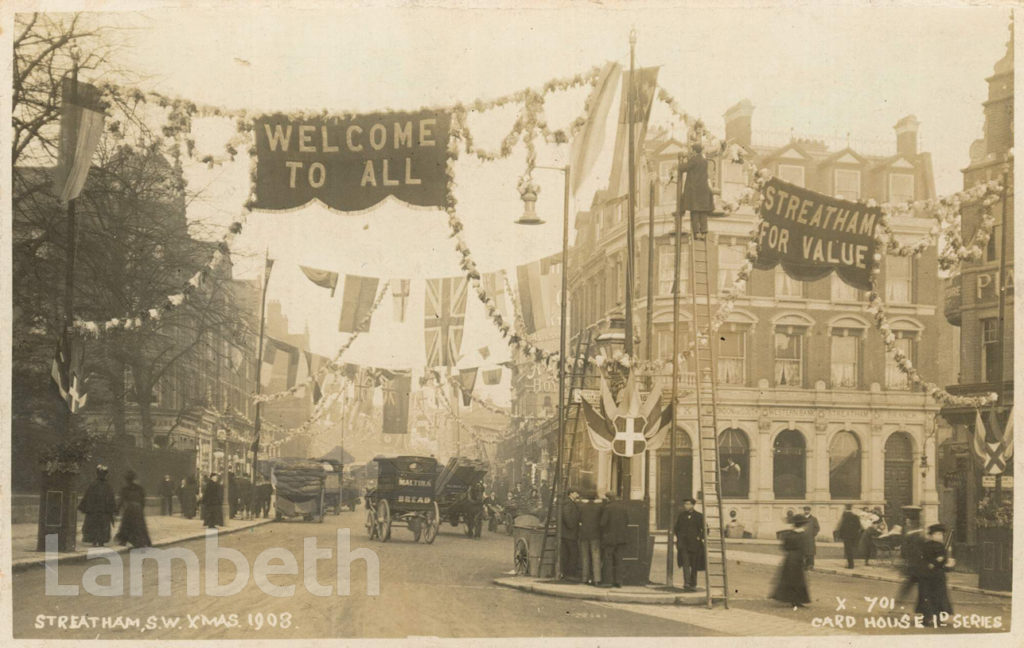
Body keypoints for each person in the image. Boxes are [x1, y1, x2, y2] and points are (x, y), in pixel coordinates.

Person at [916, 524, 955, 626]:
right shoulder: (927, 546)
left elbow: (944, 560)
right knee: (927, 596)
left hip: (938, 576)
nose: (939, 536)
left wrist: (944, 561)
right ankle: (926, 618)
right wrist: (933, 562)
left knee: (938, 597)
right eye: (937, 534)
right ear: (931, 535)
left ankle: (937, 618)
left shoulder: (941, 546)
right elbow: (923, 558)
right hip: (927, 576)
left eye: (941, 534)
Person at [770, 513, 810, 609]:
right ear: (802, 524)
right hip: (798, 558)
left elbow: (784, 547)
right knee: (799, 579)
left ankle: (792, 599)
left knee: (789, 579)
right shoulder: (803, 535)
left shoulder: (788, 534)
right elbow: (805, 548)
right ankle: (797, 601)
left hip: (789, 558)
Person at [681, 141, 715, 239]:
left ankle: (696, 233)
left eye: (692, 150)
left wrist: (679, 164)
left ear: (694, 151)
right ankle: (704, 232)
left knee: (694, 212)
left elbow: (684, 168)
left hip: (695, 190)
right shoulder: (704, 161)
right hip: (703, 190)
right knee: (703, 212)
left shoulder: (694, 160)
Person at [78, 464, 116, 547]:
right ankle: (99, 541)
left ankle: (96, 541)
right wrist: (111, 510)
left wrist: (85, 508)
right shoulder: (107, 486)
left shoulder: (94, 485)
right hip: (101, 512)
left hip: (96, 511)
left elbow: (87, 497)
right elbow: (111, 500)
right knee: (100, 525)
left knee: (95, 525)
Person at [114, 470, 152, 547]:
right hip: (138, 509)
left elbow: (121, 500)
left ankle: (124, 541)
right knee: (140, 526)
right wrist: (141, 508)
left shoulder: (125, 489)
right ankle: (144, 542)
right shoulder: (139, 488)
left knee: (126, 525)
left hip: (129, 509)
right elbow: (143, 500)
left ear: (126, 480)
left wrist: (117, 510)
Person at [674, 498, 705, 592]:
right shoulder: (681, 516)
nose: (686, 506)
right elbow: (676, 528)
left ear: (692, 505)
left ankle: (693, 583)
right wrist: (679, 538)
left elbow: (705, 529)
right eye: (685, 504)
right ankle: (686, 583)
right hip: (683, 545)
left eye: (688, 504)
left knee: (694, 565)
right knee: (685, 563)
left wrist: (699, 537)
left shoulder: (699, 516)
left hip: (695, 545)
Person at [599, 492, 628, 588]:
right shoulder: (623, 507)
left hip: (610, 538)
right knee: (619, 560)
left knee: (608, 559)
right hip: (622, 538)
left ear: (608, 498)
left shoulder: (608, 508)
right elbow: (627, 521)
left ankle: (608, 581)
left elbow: (603, 523)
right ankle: (619, 581)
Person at [578, 493, 603, 586]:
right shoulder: (599, 508)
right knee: (596, 556)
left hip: (584, 534)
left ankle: (585, 578)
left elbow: (579, 519)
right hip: (595, 535)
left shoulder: (582, 507)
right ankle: (597, 579)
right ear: (595, 497)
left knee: (585, 557)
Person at [560, 489, 581, 580]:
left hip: (567, 533)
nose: (578, 494)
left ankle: (566, 573)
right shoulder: (569, 503)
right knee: (573, 553)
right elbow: (567, 516)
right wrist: (573, 524)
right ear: (571, 494)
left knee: (568, 553)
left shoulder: (569, 502)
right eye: (576, 492)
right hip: (569, 533)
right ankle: (570, 574)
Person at [836, 504, 861, 569]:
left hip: (847, 536)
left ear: (846, 508)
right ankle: (850, 563)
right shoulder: (855, 516)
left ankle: (851, 565)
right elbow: (859, 526)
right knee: (852, 549)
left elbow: (842, 526)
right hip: (854, 536)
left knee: (848, 550)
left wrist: (840, 535)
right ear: (851, 508)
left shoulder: (845, 516)